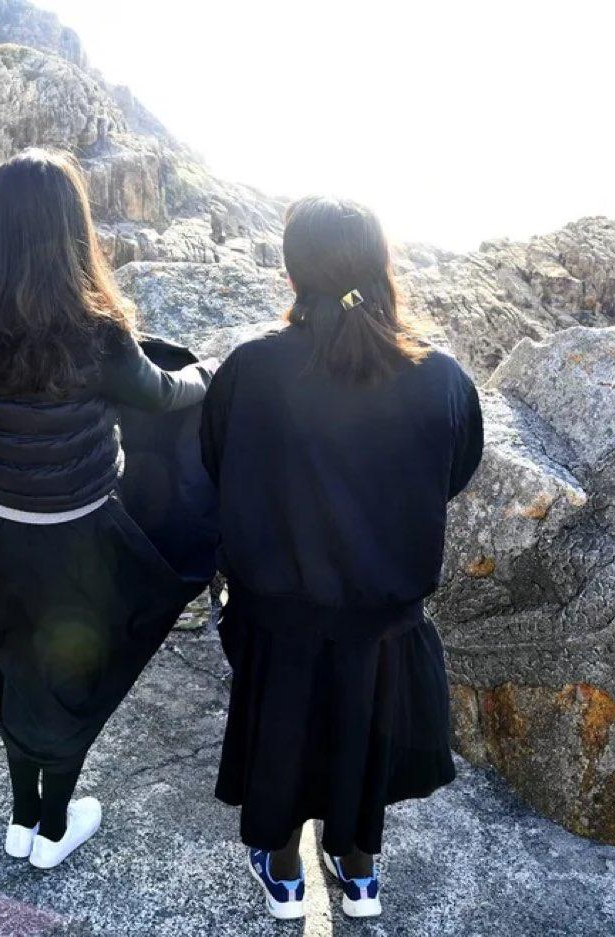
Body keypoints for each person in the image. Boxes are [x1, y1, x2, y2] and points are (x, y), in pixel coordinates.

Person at [200, 196, 484, 921]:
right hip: (383, 618)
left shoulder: (251, 368)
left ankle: (284, 873)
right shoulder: (442, 377)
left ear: (293, 272)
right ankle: (358, 873)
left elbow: (216, 462)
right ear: (381, 267)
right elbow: (454, 472)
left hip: (275, 613)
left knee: (284, 736)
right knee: (361, 737)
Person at [0, 149, 213, 870]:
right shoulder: (94, 331)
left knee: (14, 659)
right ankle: (54, 825)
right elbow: (161, 394)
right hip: (76, 539)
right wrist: (207, 373)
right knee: (73, 679)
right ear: (70, 232)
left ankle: (21, 815)